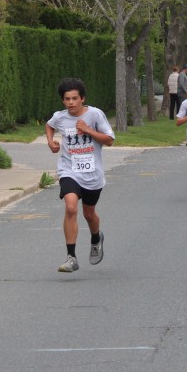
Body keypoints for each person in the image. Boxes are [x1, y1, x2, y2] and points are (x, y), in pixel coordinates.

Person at [45, 78, 115, 273]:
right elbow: (49, 125)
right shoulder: (60, 117)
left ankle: (96, 238)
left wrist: (87, 130)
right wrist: (51, 142)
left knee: (89, 214)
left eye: (75, 98)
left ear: (82, 98)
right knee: (70, 207)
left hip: (92, 174)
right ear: (63, 100)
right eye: (67, 99)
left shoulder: (95, 114)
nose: (71, 103)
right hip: (69, 171)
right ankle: (71, 257)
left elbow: (109, 140)